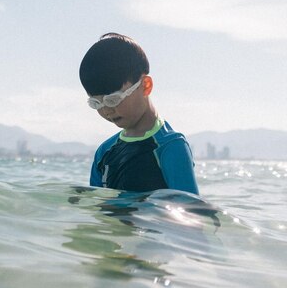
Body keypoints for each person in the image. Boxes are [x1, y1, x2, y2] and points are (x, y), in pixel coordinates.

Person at [79, 33, 199, 195]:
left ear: (145, 85)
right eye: (96, 103)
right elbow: (97, 208)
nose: (106, 110)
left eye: (113, 100)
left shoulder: (170, 147)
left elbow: (190, 211)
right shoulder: (104, 152)